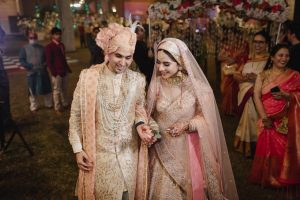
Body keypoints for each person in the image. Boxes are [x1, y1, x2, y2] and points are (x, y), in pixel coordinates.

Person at [136, 38, 238, 200]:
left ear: (181, 62)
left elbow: (208, 119)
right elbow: (149, 115)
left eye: (166, 64)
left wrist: (187, 125)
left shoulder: (198, 88)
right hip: (161, 149)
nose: (160, 68)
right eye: (158, 63)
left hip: (189, 150)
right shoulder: (156, 85)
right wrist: (152, 128)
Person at [68, 23, 155, 200]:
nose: (123, 63)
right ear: (107, 52)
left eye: (128, 57)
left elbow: (139, 109)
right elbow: (76, 116)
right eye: (118, 56)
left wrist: (140, 124)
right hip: (100, 158)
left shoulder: (137, 80)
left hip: (129, 157)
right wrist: (78, 149)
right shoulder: (88, 78)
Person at [250, 44, 300, 191]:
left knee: (284, 149)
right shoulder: (263, 75)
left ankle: (283, 176)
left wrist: (287, 95)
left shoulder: (295, 75)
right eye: (280, 55)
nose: (284, 59)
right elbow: (257, 96)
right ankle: (269, 177)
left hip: (286, 119)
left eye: (287, 56)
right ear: (272, 57)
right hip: (267, 118)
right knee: (268, 149)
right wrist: (264, 118)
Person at [233, 31, 270, 158]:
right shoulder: (248, 59)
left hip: (257, 96)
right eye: (255, 42)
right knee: (247, 114)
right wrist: (242, 78)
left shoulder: (269, 61)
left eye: (261, 42)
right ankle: (248, 146)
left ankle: (255, 146)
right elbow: (236, 73)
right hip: (244, 93)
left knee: (252, 115)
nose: (257, 45)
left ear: (266, 44)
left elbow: (273, 79)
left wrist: (258, 79)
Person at [19, 32, 52, 112]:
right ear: (28, 38)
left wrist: (44, 65)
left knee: (47, 89)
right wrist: (29, 66)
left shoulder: (42, 48)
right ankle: (34, 106)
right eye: (31, 38)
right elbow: (22, 60)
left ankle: (48, 104)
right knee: (32, 90)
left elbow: (47, 59)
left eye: (34, 38)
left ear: (37, 38)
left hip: (42, 72)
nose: (33, 39)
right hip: (31, 73)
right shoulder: (24, 48)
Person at [45, 27, 71, 114]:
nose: (58, 36)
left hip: (64, 70)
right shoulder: (49, 47)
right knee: (57, 90)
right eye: (56, 34)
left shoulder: (61, 45)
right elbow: (49, 62)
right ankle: (57, 107)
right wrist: (54, 73)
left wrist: (67, 69)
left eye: (59, 34)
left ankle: (65, 103)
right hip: (57, 72)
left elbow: (63, 58)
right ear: (52, 35)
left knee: (65, 89)